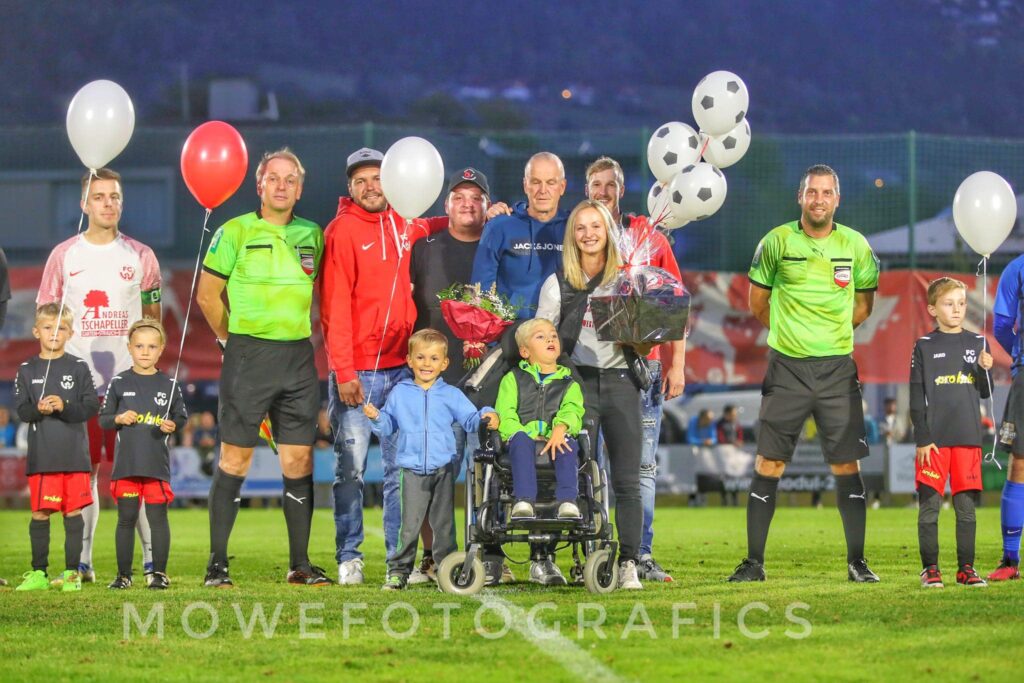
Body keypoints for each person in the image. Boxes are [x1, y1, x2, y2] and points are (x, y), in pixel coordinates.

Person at [729, 164, 881, 583]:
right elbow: (758, 304)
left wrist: (828, 337)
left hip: (837, 371)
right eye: (811, 192)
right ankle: (754, 562)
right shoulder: (776, 242)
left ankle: (857, 563)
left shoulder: (857, 246)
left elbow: (864, 307)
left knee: (847, 465)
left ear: (837, 199)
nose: (818, 199)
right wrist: (791, 336)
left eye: (826, 193)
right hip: (787, 369)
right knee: (769, 462)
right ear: (800, 197)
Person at [196, 148, 331, 587]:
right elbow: (206, 296)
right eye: (274, 178)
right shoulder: (234, 231)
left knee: (299, 458)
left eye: (290, 179)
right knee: (235, 458)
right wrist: (228, 341)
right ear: (260, 185)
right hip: (248, 356)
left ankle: (300, 565)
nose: (282, 186)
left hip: (297, 359)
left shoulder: (313, 234)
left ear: (300, 188)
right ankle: (217, 566)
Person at [320, 148, 447, 585]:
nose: (371, 187)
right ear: (350, 188)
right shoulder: (341, 232)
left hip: (402, 371)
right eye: (361, 181)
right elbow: (334, 307)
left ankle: (399, 560)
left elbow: (436, 225)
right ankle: (350, 555)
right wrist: (344, 372)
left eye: (378, 178)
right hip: (358, 372)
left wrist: (482, 214)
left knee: (401, 471)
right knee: (351, 469)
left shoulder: (405, 223)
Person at [38, 168, 162, 584]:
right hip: (80, 385)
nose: (108, 203)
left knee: (137, 472)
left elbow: (153, 321)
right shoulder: (64, 257)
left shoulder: (141, 257)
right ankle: (84, 562)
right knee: (85, 473)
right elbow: (46, 318)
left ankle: (149, 564)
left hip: (130, 385)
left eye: (115, 196)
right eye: (100, 197)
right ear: (84, 204)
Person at [536, 198, 649, 590]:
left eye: (595, 227)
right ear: (572, 235)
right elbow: (541, 340)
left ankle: (629, 561)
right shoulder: (558, 283)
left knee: (626, 480)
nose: (588, 234)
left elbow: (647, 347)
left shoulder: (628, 279)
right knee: (570, 475)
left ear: (607, 232)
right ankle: (561, 557)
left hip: (620, 383)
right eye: (580, 228)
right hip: (577, 384)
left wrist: (639, 329)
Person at [585, 156, 686, 583]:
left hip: (643, 370)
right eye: (595, 184)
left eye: (610, 185)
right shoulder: (582, 237)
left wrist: (678, 364)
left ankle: (639, 553)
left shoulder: (647, 236)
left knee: (641, 467)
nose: (603, 191)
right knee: (589, 465)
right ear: (586, 189)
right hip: (590, 372)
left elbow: (674, 301)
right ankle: (590, 550)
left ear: (621, 190)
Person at [407, 167, 494, 583]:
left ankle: (490, 556)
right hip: (435, 384)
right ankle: (432, 557)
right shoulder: (424, 248)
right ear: (447, 205)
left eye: (476, 197)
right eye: (459, 196)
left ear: (485, 205)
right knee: (435, 473)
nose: (467, 203)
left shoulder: (498, 244)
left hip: (488, 378)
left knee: (492, 473)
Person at [363, 329, 498, 590]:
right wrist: (376, 418)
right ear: (409, 360)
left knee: (444, 524)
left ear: (444, 363)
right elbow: (388, 427)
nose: (427, 364)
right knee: (409, 525)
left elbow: (471, 421)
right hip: (411, 470)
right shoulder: (400, 393)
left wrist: (488, 413)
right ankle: (398, 572)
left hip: (443, 469)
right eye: (421, 358)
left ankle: (447, 570)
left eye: (434, 359)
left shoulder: (451, 395)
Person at [909, 277, 991, 588]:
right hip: (934, 441)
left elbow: (985, 393)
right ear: (932, 308)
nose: (956, 309)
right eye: (948, 303)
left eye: (961, 303)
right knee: (929, 506)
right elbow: (916, 396)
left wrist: (984, 369)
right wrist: (922, 437)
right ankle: (931, 569)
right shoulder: (923, 346)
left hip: (968, 438)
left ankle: (965, 569)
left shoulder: (976, 342)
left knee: (966, 510)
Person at [13, 303, 99, 591]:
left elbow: (89, 407)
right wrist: (38, 409)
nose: (54, 333)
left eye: (61, 328)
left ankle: (72, 574)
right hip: (42, 456)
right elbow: (22, 412)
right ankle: (39, 573)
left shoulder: (78, 367)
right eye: (48, 327)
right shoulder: (27, 369)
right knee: (40, 513)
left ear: (70, 333)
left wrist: (65, 405)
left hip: (74, 455)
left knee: (72, 513)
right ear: (36, 331)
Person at [99, 318, 187, 590]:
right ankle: (123, 575)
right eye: (139, 346)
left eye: (151, 346)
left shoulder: (169, 384)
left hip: (155, 466)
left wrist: (173, 424)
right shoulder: (118, 382)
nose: (145, 351)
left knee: (158, 520)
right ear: (130, 347)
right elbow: (103, 419)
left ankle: (159, 574)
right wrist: (119, 418)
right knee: (125, 519)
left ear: (161, 349)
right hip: (126, 465)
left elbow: (181, 417)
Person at [496, 318, 584, 521]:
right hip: (521, 439)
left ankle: (567, 501)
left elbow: (573, 410)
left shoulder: (570, 384)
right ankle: (524, 500)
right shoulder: (513, 379)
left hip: (555, 438)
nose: (550, 339)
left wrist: (560, 428)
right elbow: (506, 412)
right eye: (541, 337)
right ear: (525, 352)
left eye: (553, 335)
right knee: (520, 439)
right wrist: (525, 433)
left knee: (567, 442)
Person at [471, 152, 569, 319]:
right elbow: (480, 291)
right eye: (535, 182)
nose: (542, 190)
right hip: (509, 336)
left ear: (562, 187)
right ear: (525, 185)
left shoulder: (575, 228)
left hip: (562, 337)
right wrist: (488, 340)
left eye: (551, 183)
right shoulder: (499, 227)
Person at [988, 251, 1024, 581]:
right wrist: (1019, 355)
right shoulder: (1018, 268)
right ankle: (1010, 559)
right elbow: (1001, 324)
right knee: (1020, 463)